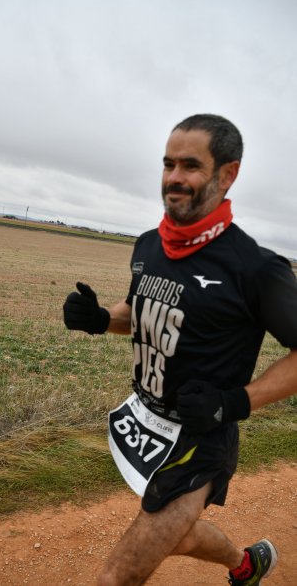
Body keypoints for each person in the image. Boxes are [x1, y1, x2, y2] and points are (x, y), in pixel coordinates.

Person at [63, 114, 297, 586]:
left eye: (190, 165)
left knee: (116, 578)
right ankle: (247, 566)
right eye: (168, 164)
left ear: (227, 173)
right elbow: (139, 311)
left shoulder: (255, 268)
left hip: (200, 441)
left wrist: (235, 402)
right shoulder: (149, 245)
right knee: (179, 536)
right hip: (145, 425)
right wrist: (100, 319)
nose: (173, 177)